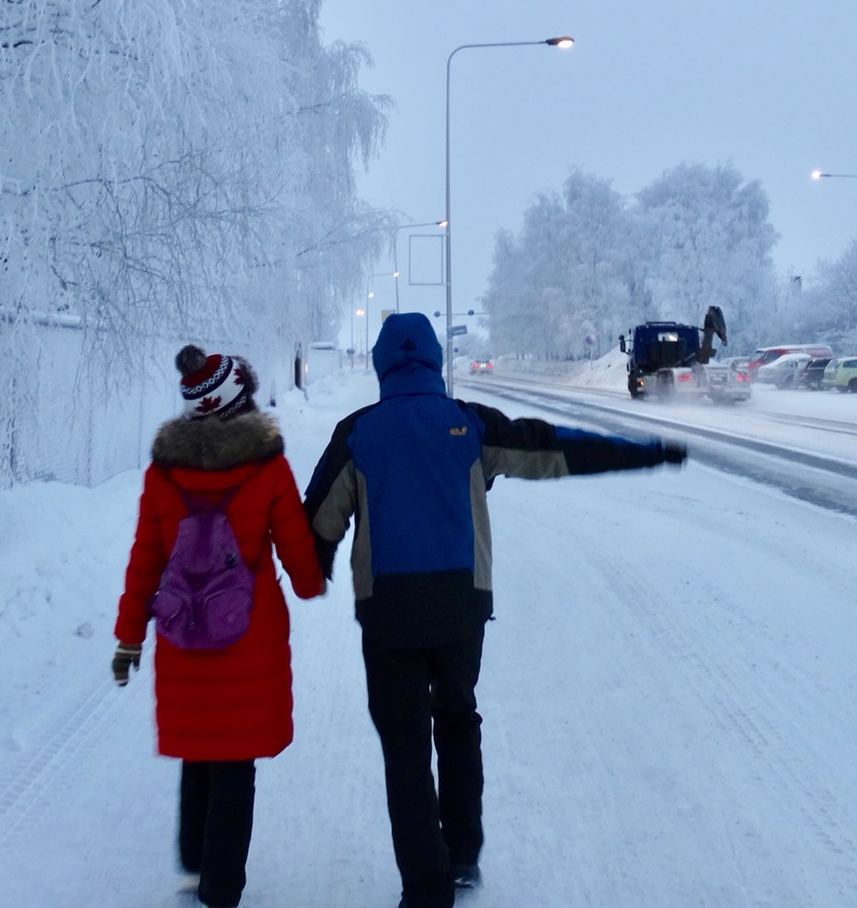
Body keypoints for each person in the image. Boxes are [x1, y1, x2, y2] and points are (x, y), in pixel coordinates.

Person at [303, 311, 686, 908]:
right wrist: (644, 453)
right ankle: (460, 856)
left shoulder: (359, 433)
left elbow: (318, 523)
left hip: (390, 615)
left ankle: (426, 889)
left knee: (405, 749)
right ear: (434, 362)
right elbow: (555, 449)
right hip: (461, 607)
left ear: (382, 366)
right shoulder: (470, 426)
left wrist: (316, 567)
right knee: (456, 719)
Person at [113, 345, 326, 908]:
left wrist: (129, 634)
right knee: (236, 760)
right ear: (240, 399)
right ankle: (222, 885)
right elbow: (294, 546)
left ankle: (192, 861)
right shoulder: (268, 465)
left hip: (184, 636)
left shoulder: (164, 472)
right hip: (248, 634)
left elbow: (145, 558)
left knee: (199, 746)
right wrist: (309, 583)